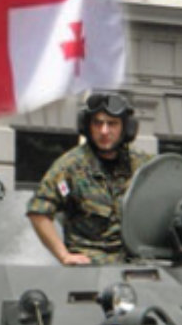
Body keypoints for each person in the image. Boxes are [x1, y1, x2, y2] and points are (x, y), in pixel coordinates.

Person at [26, 93, 152, 265]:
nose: (104, 131)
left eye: (112, 124)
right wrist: (63, 255)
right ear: (86, 126)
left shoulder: (142, 165)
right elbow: (38, 211)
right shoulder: (70, 167)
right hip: (90, 268)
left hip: (137, 265)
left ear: (127, 128)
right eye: (97, 123)